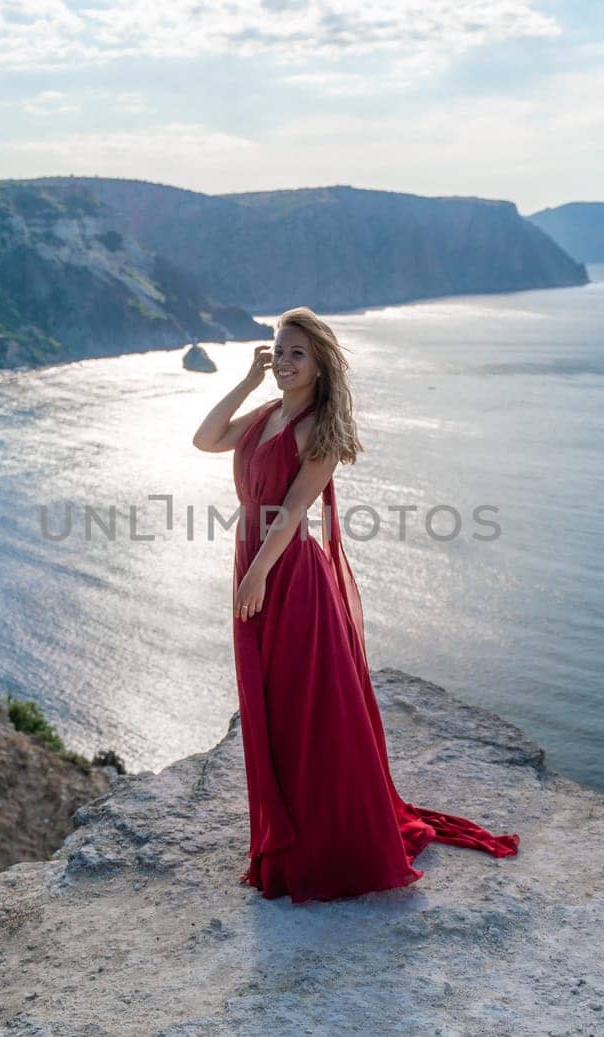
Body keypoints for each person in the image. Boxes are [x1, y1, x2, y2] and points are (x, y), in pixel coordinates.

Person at [191, 306, 520, 903]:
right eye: (279, 349)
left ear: (319, 365)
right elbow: (205, 439)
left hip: (286, 574)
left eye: (297, 353)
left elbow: (292, 511)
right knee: (267, 703)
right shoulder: (265, 415)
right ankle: (282, 836)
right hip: (255, 562)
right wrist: (246, 380)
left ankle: (321, 843)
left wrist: (257, 575)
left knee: (300, 710)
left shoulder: (318, 431)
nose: (285, 362)